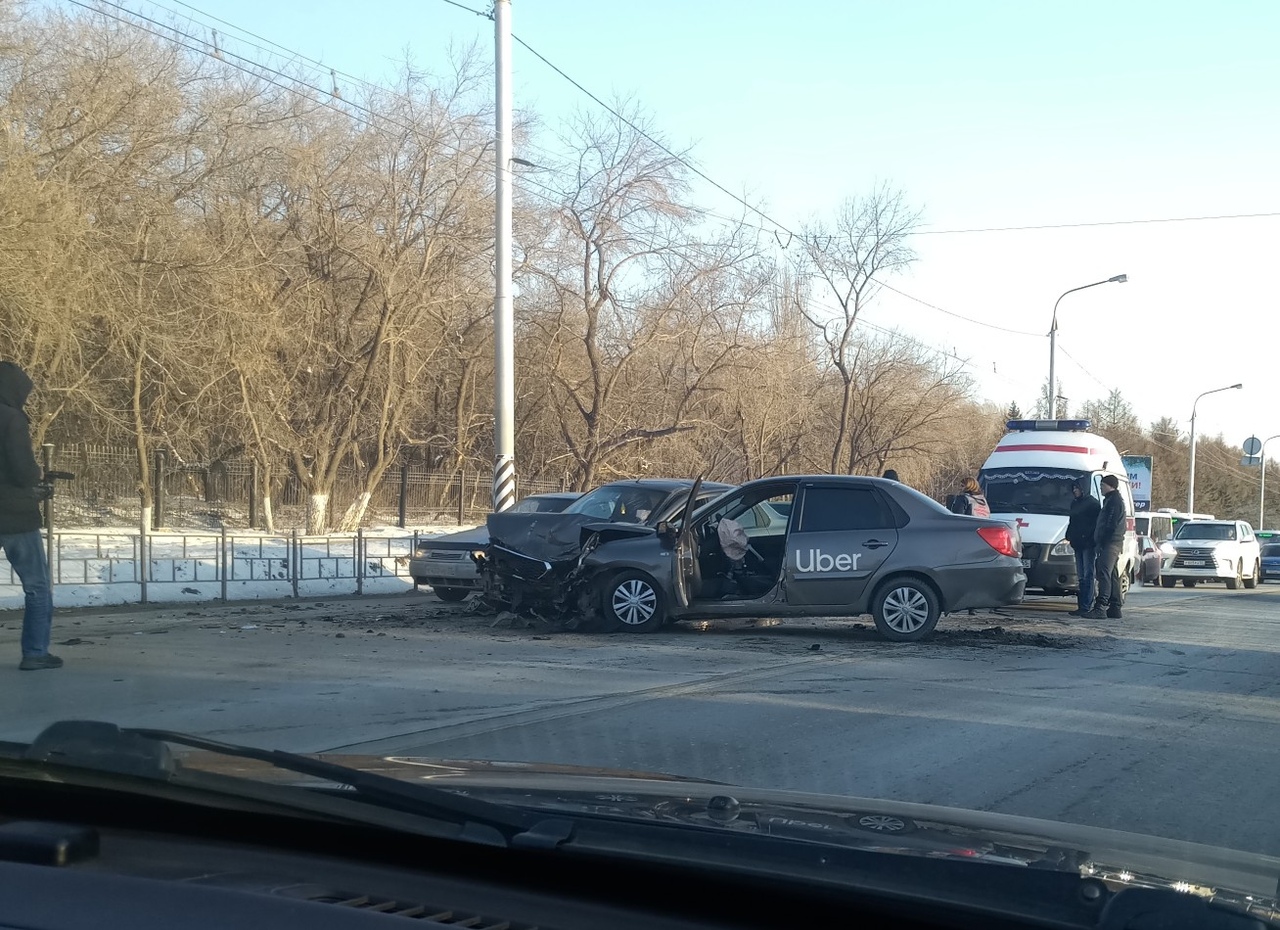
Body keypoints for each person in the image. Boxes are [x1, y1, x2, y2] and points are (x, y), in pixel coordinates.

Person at [0, 362, 61, 670]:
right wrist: (38, 478)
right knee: (37, 586)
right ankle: (35, 652)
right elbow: (23, 472)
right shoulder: (12, 419)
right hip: (15, 517)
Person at [1083, 474, 1126, 621]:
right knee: (1112, 574)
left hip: (1110, 543)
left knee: (1104, 573)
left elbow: (1110, 524)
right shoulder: (1112, 500)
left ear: (1110, 486)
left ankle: (1100, 607)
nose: (1101, 487)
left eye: (1102, 485)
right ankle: (1115, 606)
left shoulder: (1113, 502)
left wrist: (1101, 542)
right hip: (1114, 542)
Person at [1065, 481, 1101, 617]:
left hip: (1088, 543)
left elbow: (1095, 524)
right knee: (1081, 576)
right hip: (1077, 542)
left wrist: (1089, 537)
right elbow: (1072, 521)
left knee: (1088, 574)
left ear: (1083, 489)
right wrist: (1069, 535)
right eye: (1073, 488)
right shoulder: (1075, 503)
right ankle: (1082, 605)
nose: (1074, 490)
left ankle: (1086, 605)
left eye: (1077, 488)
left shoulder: (1093, 504)